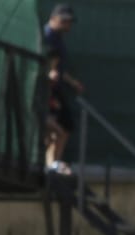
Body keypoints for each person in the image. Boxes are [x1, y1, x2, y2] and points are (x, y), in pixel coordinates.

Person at [42, 4, 84, 175]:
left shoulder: (58, 38)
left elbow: (58, 68)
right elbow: (44, 64)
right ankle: (50, 163)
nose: (67, 25)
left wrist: (72, 82)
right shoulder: (45, 36)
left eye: (69, 22)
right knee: (54, 127)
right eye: (64, 21)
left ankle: (53, 163)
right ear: (54, 19)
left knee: (65, 125)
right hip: (43, 90)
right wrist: (48, 75)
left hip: (55, 89)